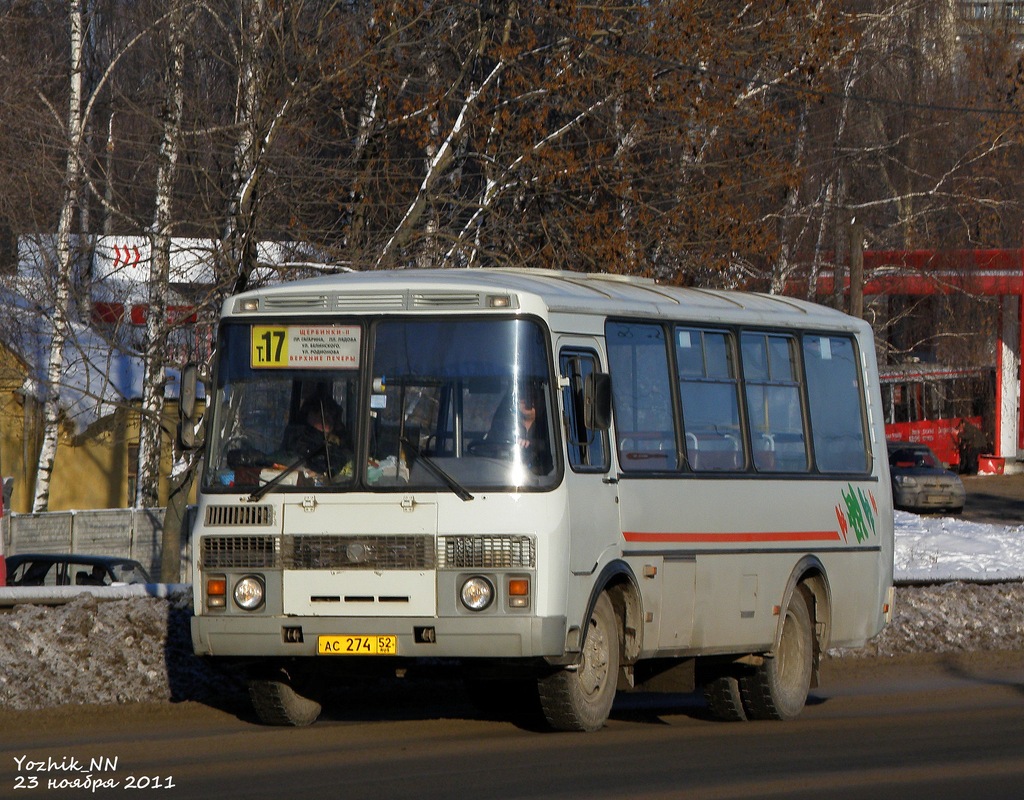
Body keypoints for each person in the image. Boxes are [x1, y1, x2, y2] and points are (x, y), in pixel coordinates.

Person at [283, 396, 353, 481]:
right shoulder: (299, 437)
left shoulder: (341, 440)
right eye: (321, 415)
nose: (327, 420)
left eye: (331, 416)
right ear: (308, 416)